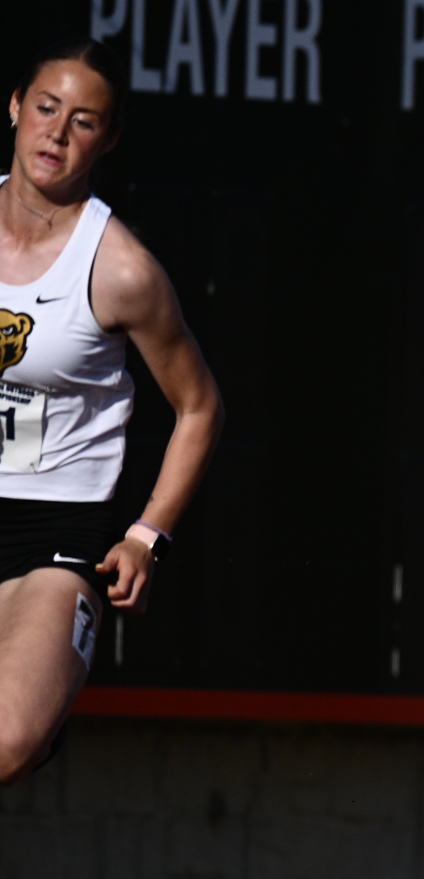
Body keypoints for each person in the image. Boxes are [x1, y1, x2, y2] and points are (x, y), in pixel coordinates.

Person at [0, 38, 224, 784]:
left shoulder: (121, 270)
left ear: (110, 139)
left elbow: (198, 407)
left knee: (8, 738)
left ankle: (42, 719)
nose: (58, 135)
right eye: (47, 108)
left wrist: (147, 535)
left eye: (85, 122)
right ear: (15, 109)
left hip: (53, 532)